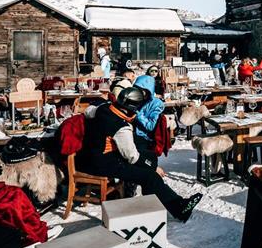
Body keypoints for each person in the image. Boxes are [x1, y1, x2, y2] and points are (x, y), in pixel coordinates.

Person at [79, 87, 202, 221]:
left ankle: (152, 203)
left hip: (88, 154)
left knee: (149, 156)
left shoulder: (104, 109)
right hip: (101, 162)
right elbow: (132, 156)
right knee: (149, 175)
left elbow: (88, 112)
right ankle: (177, 208)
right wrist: (153, 168)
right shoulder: (121, 127)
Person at [132, 75, 165, 159]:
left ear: (147, 91)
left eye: (140, 90)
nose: (138, 92)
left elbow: (151, 126)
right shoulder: (135, 99)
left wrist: (137, 114)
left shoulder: (157, 104)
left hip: (144, 138)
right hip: (130, 134)